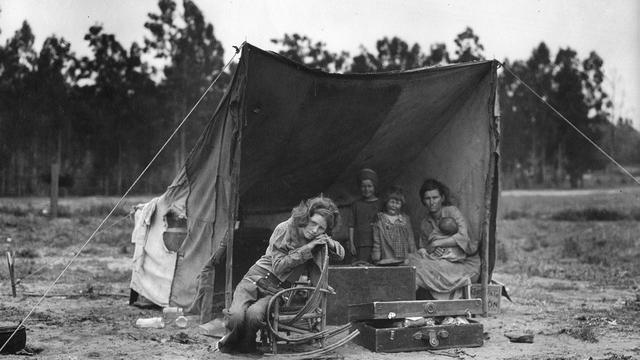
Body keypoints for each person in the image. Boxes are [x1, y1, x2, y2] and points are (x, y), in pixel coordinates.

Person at [217, 196, 345, 354]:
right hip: (254, 278)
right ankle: (231, 341)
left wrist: (331, 243)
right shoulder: (285, 228)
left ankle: (248, 344)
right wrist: (308, 248)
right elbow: (278, 267)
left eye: (321, 228)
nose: (314, 231)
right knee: (236, 316)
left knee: (254, 315)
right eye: (313, 223)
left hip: (278, 290)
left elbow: (339, 255)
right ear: (306, 217)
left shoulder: (317, 240)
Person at [407, 179, 481, 307]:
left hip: (464, 264)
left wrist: (438, 243)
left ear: (442, 197)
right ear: (423, 201)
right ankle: (409, 307)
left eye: (435, 197)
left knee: (418, 270)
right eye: (427, 198)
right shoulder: (425, 223)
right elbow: (425, 248)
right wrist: (432, 250)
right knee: (410, 260)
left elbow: (463, 237)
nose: (432, 202)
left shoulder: (452, 212)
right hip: (439, 261)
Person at [371, 186, 416, 264]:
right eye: (392, 202)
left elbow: (410, 238)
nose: (394, 206)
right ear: (386, 202)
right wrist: (376, 257)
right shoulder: (380, 219)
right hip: (388, 257)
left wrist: (413, 253)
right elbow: (377, 240)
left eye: (398, 203)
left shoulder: (404, 219)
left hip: (404, 258)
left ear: (402, 204)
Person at [348, 168, 383, 263]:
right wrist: (351, 243)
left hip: (377, 244)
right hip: (360, 243)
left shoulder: (380, 204)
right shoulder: (356, 205)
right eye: (363, 186)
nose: (366, 189)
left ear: (374, 186)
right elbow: (351, 225)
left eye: (369, 186)